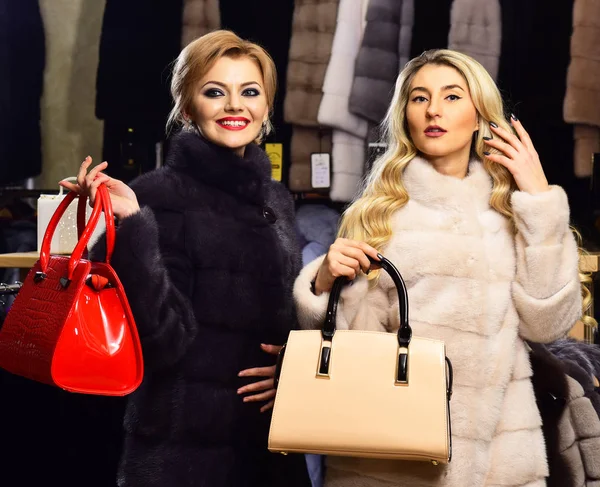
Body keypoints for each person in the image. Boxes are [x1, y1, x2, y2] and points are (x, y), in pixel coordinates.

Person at [293, 49, 588, 487]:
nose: (433, 110)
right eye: (419, 98)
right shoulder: (379, 214)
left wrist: (540, 199)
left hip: (499, 465)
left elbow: (548, 324)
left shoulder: (515, 213)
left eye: (452, 97)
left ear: (479, 115)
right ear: (405, 115)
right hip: (391, 463)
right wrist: (323, 282)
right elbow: (353, 347)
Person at [60, 30, 311, 487]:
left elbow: (282, 319)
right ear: (188, 106)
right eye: (215, 92)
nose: (235, 105)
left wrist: (290, 369)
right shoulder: (159, 195)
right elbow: (160, 342)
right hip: (186, 455)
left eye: (249, 91)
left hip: (272, 444)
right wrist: (131, 224)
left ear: (267, 107)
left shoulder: (275, 198)